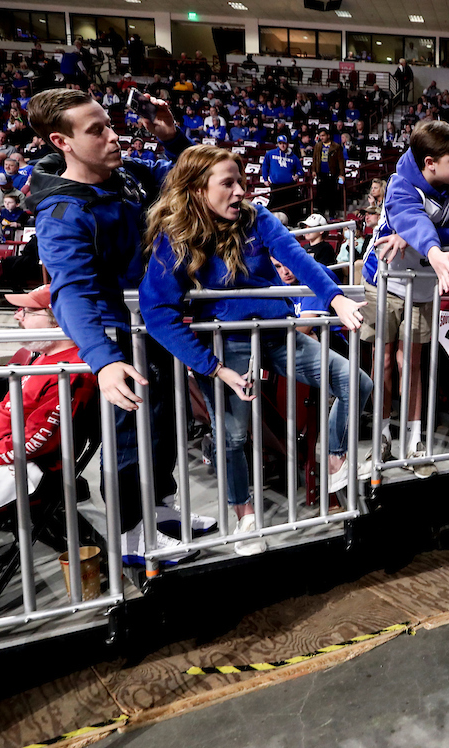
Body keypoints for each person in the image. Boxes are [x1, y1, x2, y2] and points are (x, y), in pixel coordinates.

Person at [139, 146, 372, 553]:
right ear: (197, 190)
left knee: (355, 381)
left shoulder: (256, 217)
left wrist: (334, 299)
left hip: (276, 331)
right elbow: (157, 313)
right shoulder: (174, 237)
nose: (239, 191)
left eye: (241, 182)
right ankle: (245, 518)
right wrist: (213, 368)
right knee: (232, 437)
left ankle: (334, 459)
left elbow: (298, 260)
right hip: (224, 344)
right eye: (227, 184)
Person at [28, 87, 208, 566]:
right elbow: (71, 292)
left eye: (108, 124)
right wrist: (104, 360)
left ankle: (160, 514)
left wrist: (172, 139)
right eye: (96, 131)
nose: (113, 136)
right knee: (129, 437)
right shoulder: (63, 211)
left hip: (155, 326)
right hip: (117, 334)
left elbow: (186, 182)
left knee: (167, 425)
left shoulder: (125, 177)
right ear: (60, 142)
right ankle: (130, 535)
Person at [359, 120, 449, 477]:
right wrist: (428, 245)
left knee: (412, 363)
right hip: (383, 280)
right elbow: (409, 217)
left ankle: (415, 440)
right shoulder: (400, 183)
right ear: (430, 162)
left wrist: (413, 239)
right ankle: (383, 435)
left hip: (422, 285)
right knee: (386, 361)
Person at [0, 284, 98, 512]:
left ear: (58, 318)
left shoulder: (71, 371)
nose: (17, 315)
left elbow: (35, 442)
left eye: (27, 311)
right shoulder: (45, 356)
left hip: (25, 466)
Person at [263, 134, 304, 218]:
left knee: (291, 207)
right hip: (276, 186)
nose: (282, 145)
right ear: (278, 144)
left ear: (287, 144)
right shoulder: (270, 154)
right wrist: (265, 178)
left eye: (284, 143)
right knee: (273, 206)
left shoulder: (294, 157)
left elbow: (301, 171)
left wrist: (297, 175)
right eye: (280, 143)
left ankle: (291, 223)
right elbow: (265, 166)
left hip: (289, 186)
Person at [311, 128, 344, 219]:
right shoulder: (318, 146)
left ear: (328, 135)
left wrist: (341, 174)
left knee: (331, 195)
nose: (322, 137)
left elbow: (340, 161)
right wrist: (313, 170)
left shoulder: (336, 147)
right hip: (320, 173)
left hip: (332, 174)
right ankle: (320, 215)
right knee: (320, 195)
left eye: (323, 135)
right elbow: (315, 159)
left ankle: (332, 214)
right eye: (320, 136)